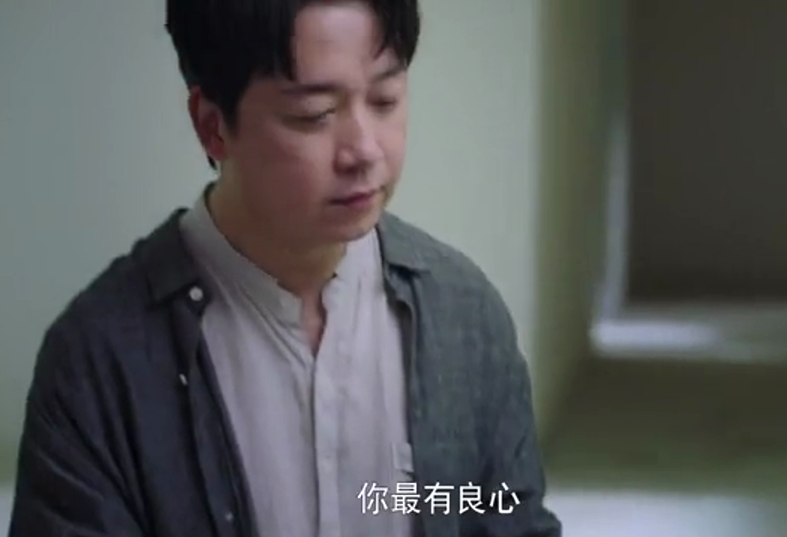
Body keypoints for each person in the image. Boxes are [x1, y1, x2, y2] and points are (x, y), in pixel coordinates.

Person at [8, 0, 561, 536]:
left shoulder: (464, 317)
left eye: (385, 99)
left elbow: (506, 517)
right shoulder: (99, 361)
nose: (364, 151)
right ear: (212, 126)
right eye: (314, 115)